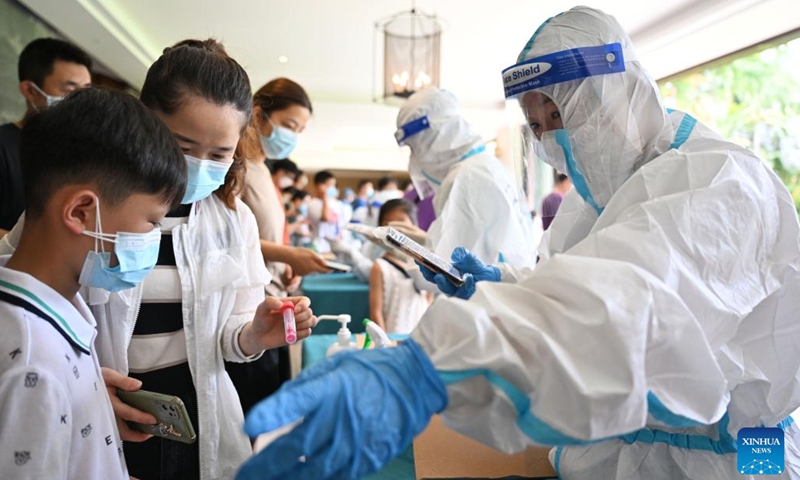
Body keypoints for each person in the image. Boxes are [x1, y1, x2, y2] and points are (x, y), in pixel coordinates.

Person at [236, 7, 800, 480]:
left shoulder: (718, 180)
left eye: (559, 113)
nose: (549, 135)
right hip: (627, 448)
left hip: (730, 458)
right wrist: (505, 284)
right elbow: (582, 276)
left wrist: (429, 369)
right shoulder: (595, 195)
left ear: (614, 90)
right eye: (535, 123)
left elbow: (624, 306)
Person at [0, 88, 186, 479]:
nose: (153, 237)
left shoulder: (52, 310)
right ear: (81, 212)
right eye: (152, 223)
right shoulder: (35, 365)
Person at [396, 86, 537, 284]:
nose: (415, 159)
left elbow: (446, 271)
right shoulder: (486, 166)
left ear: (432, 138)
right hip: (505, 294)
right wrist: (422, 241)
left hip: (488, 302)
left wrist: (401, 251)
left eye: (414, 147)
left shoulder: (465, 179)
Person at [0, 38, 92, 235]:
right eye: (70, 90)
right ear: (30, 91)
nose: (80, 101)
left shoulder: (82, 155)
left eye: (85, 91)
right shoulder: (4, 147)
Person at [369, 199, 431, 334]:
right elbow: (376, 313)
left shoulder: (426, 263)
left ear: (414, 226)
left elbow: (428, 300)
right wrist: (385, 343)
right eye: (388, 224)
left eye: (401, 223)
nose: (395, 230)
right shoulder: (380, 266)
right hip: (393, 337)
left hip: (419, 336)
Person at [307, 170, 343, 253]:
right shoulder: (313, 204)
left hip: (335, 246)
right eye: (331, 185)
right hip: (320, 247)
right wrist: (324, 196)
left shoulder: (334, 203)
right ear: (320, 186)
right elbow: (325, 218)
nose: (333, 188)